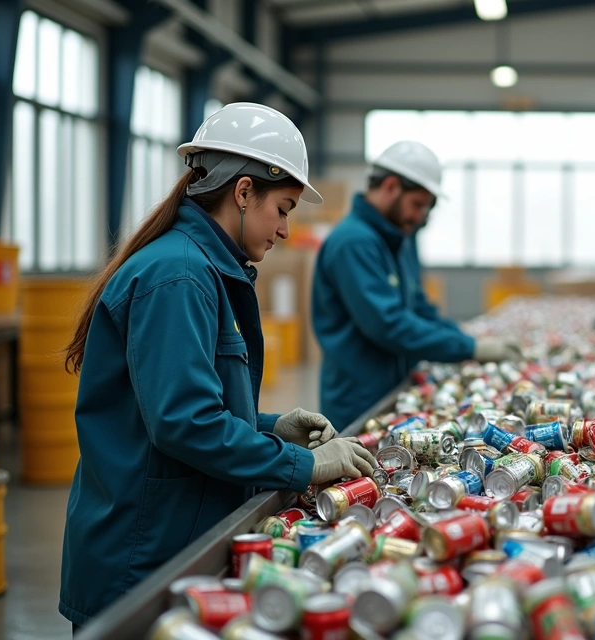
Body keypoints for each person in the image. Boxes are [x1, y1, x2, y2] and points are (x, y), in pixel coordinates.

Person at [58, 104, 378, 627]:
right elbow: (185, 423)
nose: (284, 230)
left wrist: (274, 427)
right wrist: (306, 465)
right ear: (245, 192)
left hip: (170, 538)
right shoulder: (179, 276)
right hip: (141, 556)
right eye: (283, 208)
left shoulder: (205, 270)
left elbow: (190, 404)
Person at [313, 141, 521, 429]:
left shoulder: (398, 238)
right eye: (417, 205)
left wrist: (464, 338)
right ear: (390, 186)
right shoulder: (354, 243)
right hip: (360, 398)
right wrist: (471, 348)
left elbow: (419, 307)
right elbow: (389, 324)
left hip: (395, 388)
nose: (419, 217)